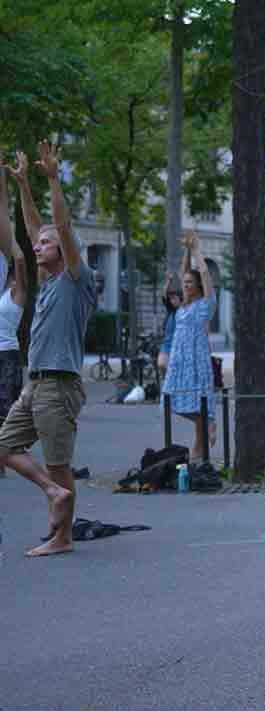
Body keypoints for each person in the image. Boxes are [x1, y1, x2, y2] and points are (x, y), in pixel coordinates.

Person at [0, 141, 96, 557]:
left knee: (59, 462)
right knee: (4, 447)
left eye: (44, 244)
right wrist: (23, 184)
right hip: (34, 384)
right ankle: (53, 494)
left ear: (64, 250)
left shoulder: (76, 278)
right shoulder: (49, 280)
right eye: (36, 244)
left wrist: (54, 179)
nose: (36, 245)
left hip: (59, 384)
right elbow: (37, 223)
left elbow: (58, 223)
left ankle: (63, 537)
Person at [162, 231, 218, 462]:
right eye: (184, 283)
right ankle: (206, 433)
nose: (185, 285)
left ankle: (201, 450)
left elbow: (203, 273)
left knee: (199, 406)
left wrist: (196, 250)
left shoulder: (205, 305)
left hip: (196, 359)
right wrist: (185, 250)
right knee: (178, 403)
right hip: (179, 360)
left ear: (197, 286)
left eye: (189, 283)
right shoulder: (182, 306)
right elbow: (183, 272)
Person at [0, 158, 27, 479]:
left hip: (6, 353)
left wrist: (5, 180)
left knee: (5, 410)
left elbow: (3, 211)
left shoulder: (15, 294)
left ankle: (7, 458)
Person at [157, 273, 181, 381]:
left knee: (175, 369)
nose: (172, 301)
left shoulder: (184, 311)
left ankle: (171, 384)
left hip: (178, 344)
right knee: (161, 364)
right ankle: (168, 381)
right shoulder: (171, 310)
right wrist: (168, 281)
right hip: (167, 343)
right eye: (171, 299)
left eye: (174, 298)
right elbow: (163, 295)